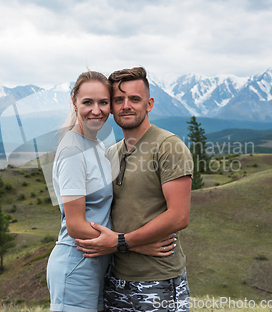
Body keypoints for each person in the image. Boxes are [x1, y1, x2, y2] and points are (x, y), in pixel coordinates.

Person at [46, 70, 175, 312]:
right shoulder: (73, 150)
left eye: (103, 102)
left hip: (97, 264)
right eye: (88, 102)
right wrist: (132, 245)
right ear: (74, 103)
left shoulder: (95, 146)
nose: (96, 110)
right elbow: (74, 226)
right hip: (76, 264)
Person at [75, 67, 194, 312]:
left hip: (158, 280)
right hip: (115, 280)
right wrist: (127, 245)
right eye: (119, 99)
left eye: (134, 99)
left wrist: (121, 241)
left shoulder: (169, 146)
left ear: (149, 104)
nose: (126, 105)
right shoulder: (112, 152)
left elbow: (179, 216)